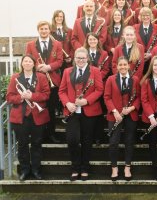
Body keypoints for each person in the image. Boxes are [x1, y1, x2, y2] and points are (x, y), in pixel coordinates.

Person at [58, 47, 104, 181]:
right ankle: (75, 168)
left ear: (87, 59)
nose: (80, 60)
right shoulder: (67, 71)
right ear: (74, 59)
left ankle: (84, 168)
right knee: (72, 140)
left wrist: (86, 101)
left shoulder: (95, 71)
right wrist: (67, 103)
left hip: (88, 111)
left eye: (83, 58)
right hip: (72, 112)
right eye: (78, 58)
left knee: (86, 141)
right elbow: (61, 91)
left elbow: (99, 89)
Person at [6, 55, 50, 181]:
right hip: (20, 118)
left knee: (36, 144)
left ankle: (36, 170)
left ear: (34, 64)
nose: (27, 63)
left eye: (30, 61)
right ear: (22, 63)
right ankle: (25, 170)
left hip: (37, 116)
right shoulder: (15, 78)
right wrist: (21, 97)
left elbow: (46, 95)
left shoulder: (41, 77)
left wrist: (32, 96)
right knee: (23, 145)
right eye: (25, 61)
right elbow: (9, 97)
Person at [25, 21, 63, 144]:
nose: (44, 31)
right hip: (37, 82)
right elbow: (27, 61)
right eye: (42, 29)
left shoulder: (57, 44)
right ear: (38, 30)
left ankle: (51, 134)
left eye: (46, 29)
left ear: (49, 30)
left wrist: (49, 67)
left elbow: (59, 61)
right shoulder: (31, 45)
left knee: (51, 109)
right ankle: (39, 135)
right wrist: (37, 67)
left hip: (53, 82)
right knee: (39, 109)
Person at [104, 56, 140, 181]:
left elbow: (138, 98)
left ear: (128, 66)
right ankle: (114, 167)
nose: (123, 67)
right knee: (114, 142)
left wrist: (131, 108)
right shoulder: (110, 79)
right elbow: (107, 97)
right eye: (120, 65)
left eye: (125, 65)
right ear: (117, 67)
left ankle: (127, 167)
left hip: (130, 114)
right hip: (115, 115)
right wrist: (115, 112)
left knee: (129, 141)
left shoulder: (135, 79)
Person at [133, 7, 157, 73]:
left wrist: (151, 54)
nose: (145, 17)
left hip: (153, 59)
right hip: (138, 59)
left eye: (147, 15)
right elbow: (133, 43)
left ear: (151, 16)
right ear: (140, 17)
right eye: (143, 15)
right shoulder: (135, 27)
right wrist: (141, 54)